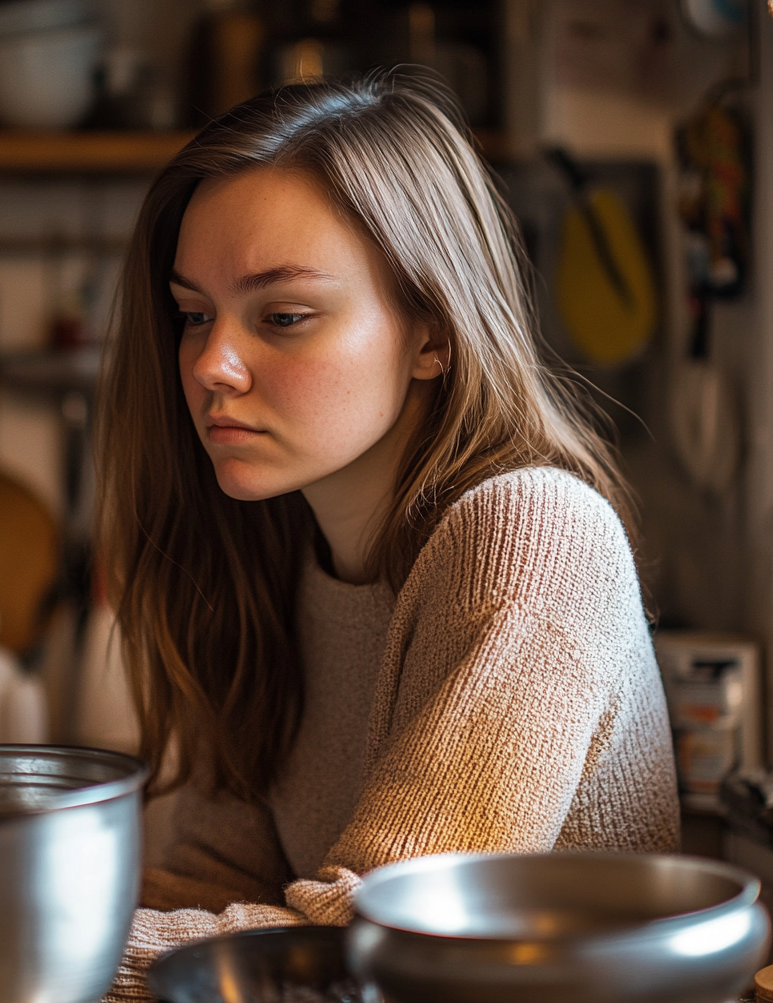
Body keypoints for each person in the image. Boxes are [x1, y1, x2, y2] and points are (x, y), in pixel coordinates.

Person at [96, 72, 679, 999]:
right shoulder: (269, 558)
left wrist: (26, 945)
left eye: (283, 316)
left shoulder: (533, 536)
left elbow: (380, 947)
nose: (211, 363)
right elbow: (213, 881)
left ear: (432, 334)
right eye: (194, 314)